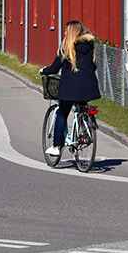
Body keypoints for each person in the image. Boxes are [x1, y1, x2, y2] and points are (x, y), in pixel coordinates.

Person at [39, 20, 101, 158]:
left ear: (71, 32)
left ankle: (56, 146)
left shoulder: (66, 47)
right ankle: (85, 130)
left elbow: (54, 68)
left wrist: (44, 71)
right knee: (83, 106)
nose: (65, 33)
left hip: (71, 89)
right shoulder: (89, 46)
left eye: (66, 30)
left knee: (62, 113)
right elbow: (93, 66)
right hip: (88, 87)